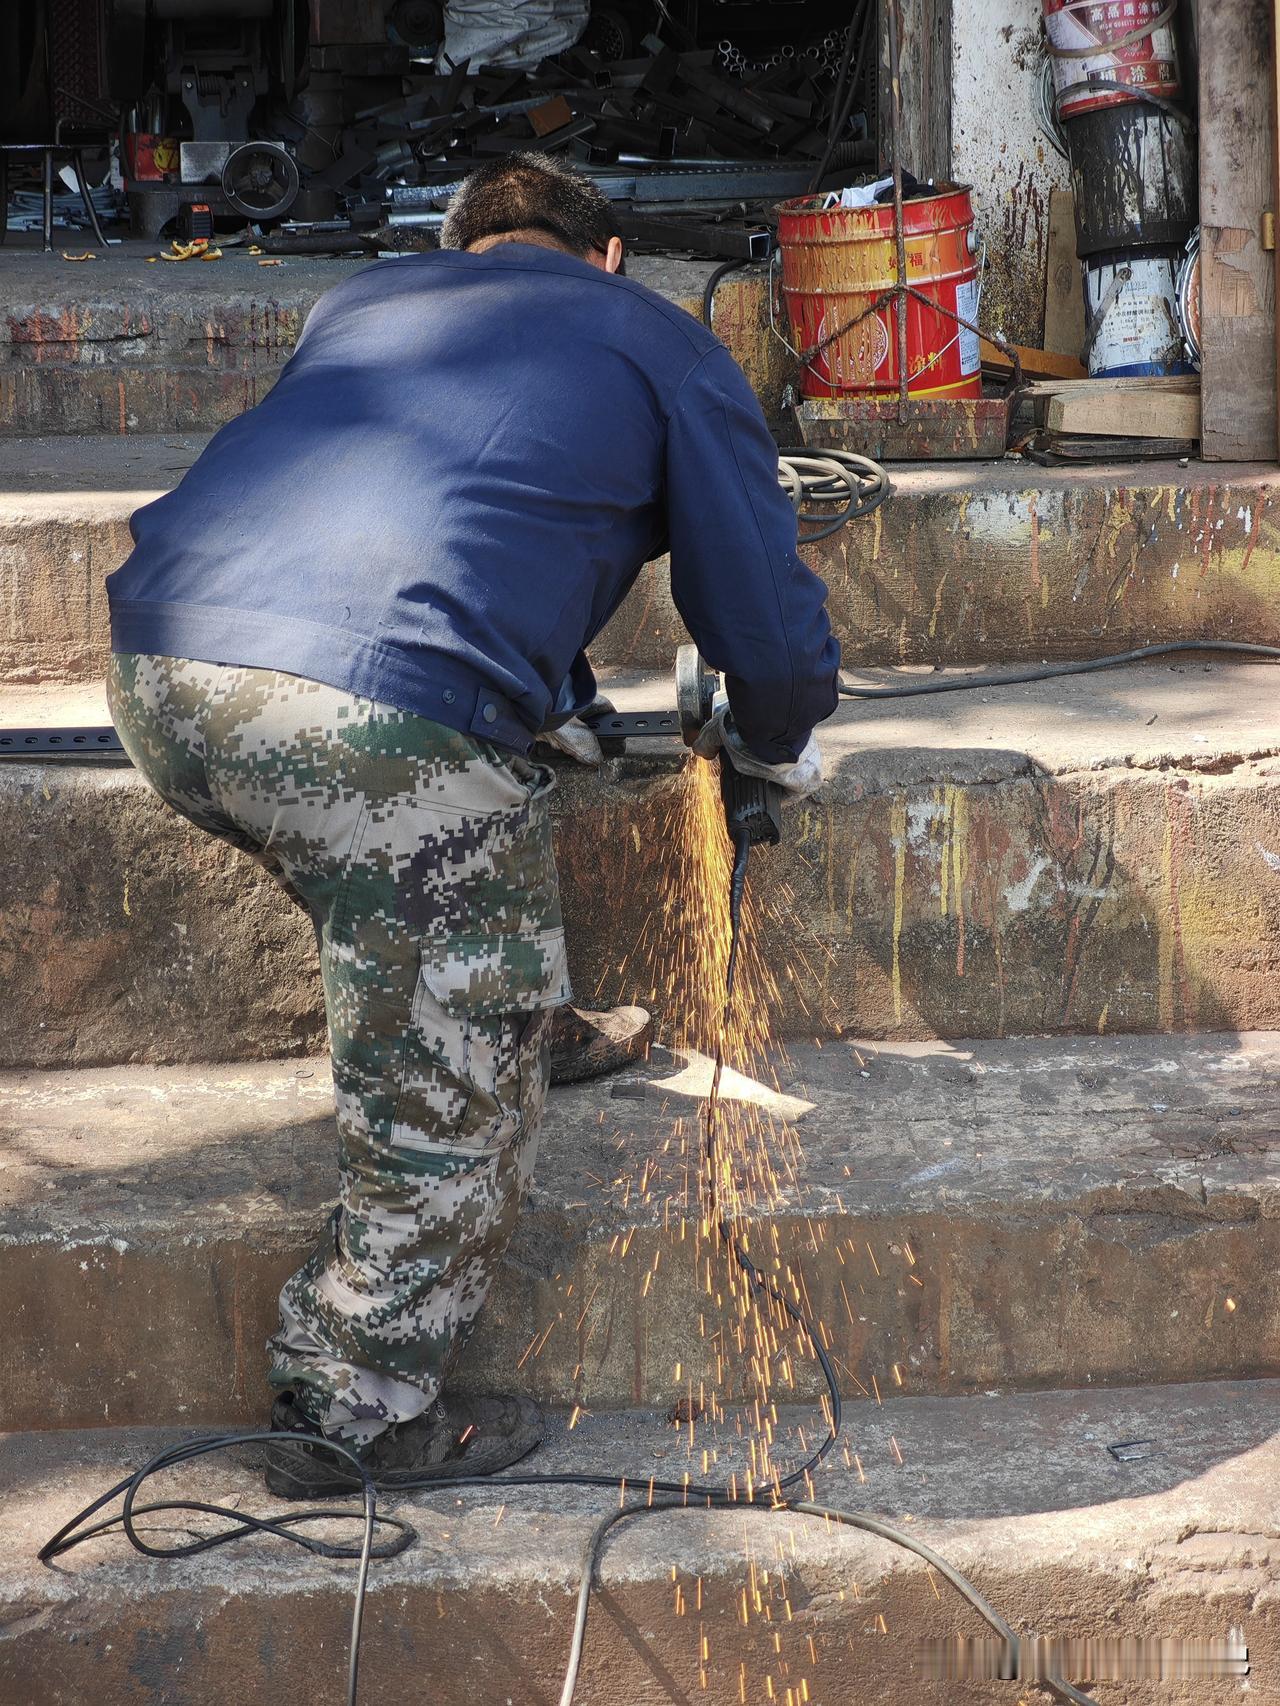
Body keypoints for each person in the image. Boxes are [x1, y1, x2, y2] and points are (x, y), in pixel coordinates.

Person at [104, 152, 841, 1498]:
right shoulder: (660, 340)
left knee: (491, 774)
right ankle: (353, 1399)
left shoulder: (367, 308)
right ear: (606, 256)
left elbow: (422, 529)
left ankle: (502, 1006)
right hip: (363, 715)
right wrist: (776, 742)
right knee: (445, 844)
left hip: (162, 671)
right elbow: (762, 617)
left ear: (463, 250)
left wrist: (556, 698)